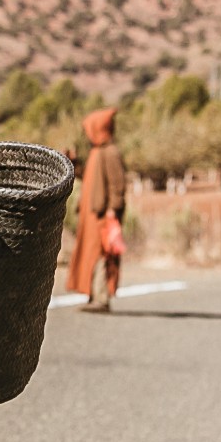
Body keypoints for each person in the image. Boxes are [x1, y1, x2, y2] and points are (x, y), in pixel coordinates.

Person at [68, 107, 126, 312]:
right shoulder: (97, 152)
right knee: (91, 253)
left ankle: (101, 298)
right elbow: (90, 179)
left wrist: (113, 209)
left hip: (102, 215)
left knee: (101, 254)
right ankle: (94, 295)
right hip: (92, 215)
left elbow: (117, 185)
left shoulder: (110, 153)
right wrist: (73, 164)